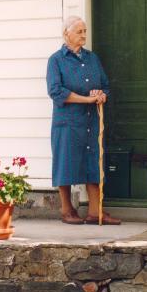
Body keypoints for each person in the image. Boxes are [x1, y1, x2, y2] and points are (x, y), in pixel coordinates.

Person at [46, 15, 121, 225]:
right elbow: (56, 91)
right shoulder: (56, 60)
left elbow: (105, 85)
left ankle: (95, 212)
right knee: (65, 163)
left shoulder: (92, 58)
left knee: (93, 163)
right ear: (66, 34)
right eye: (79, 32)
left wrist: (101, 95)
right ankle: (67, 210)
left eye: (85, 31)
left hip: (90, 121)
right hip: (68, 122)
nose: (84, 35)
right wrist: (87, 99)